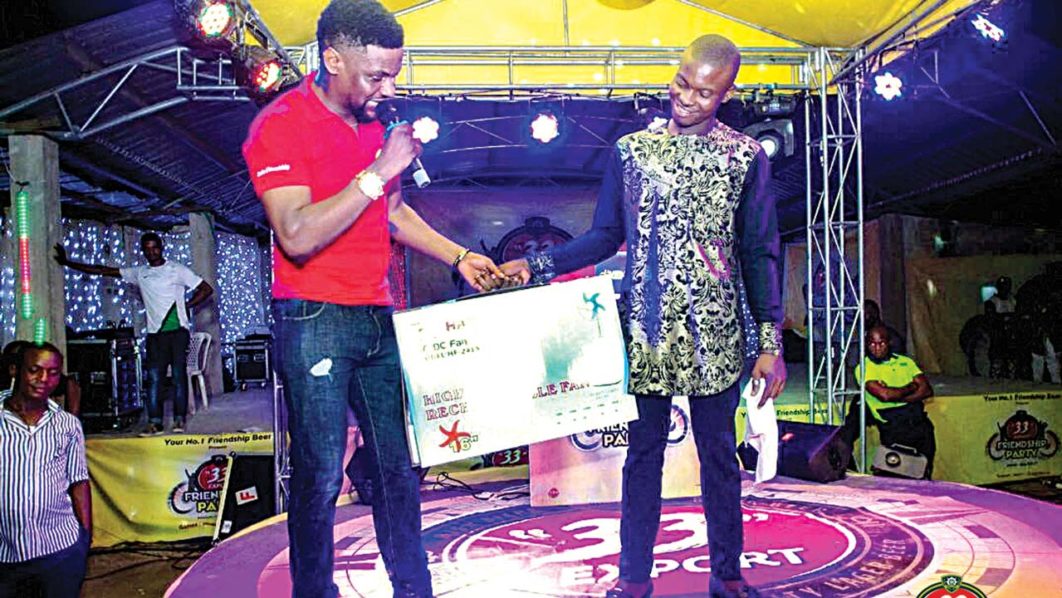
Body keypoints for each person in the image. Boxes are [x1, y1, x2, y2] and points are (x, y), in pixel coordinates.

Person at [501, 34, 786, 598]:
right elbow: (604, 236)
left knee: (719, 460)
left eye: (704, 93)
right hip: (647, 331)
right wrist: (535, 265)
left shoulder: (744, 157)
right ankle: (633, 578)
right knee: (642, 459)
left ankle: (728, 576)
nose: (687, 98)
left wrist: (769, 340)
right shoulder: (631, 152)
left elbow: (759, 251)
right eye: (682, 83)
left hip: (718, 335)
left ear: (726, 95)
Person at [240, 2, 504, 596]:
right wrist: (377, 170)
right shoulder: (281, 125)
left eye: (393, 75)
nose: (389, 88)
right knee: (319, 476)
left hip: (376, 314)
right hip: (313, 316)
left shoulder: (375, 124)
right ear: (332, 59)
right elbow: (296, 233)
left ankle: (413, 588)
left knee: (395, 469)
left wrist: (458, 256)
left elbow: (392, 211)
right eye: (376, 76)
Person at [54, 233, 213, 435]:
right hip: (154, 334)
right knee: (154, 379)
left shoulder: (177, 269)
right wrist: (68, 262)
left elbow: (206, 289)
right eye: (147, 248)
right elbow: (103, 270)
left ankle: (179, 420)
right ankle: (155, 423)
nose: (151, 252)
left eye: (155, 247)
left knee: (178, 377)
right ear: (143, 250)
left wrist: (187, 306)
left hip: (178, 332)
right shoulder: (139, 272)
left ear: (161, 247)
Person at [0, 342, 92, 597]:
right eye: (35, 370)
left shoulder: (67, 425)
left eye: (53, 373)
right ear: (15, 370)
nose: (44, 379)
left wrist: (84, 540)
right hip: (5, 555)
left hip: (60, 551)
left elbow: (79, 482)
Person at [850, 325, 937, 479]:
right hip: (894, 429)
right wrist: (911, 387)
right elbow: (885, 396)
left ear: (889, 342)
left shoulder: (905, 361)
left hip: (920, 424)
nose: (876, 348)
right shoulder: (864, 367)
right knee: (897, 479)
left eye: (881, 343)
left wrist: (898, 395)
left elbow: (927, 390)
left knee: (923, 475)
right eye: (872, 344)